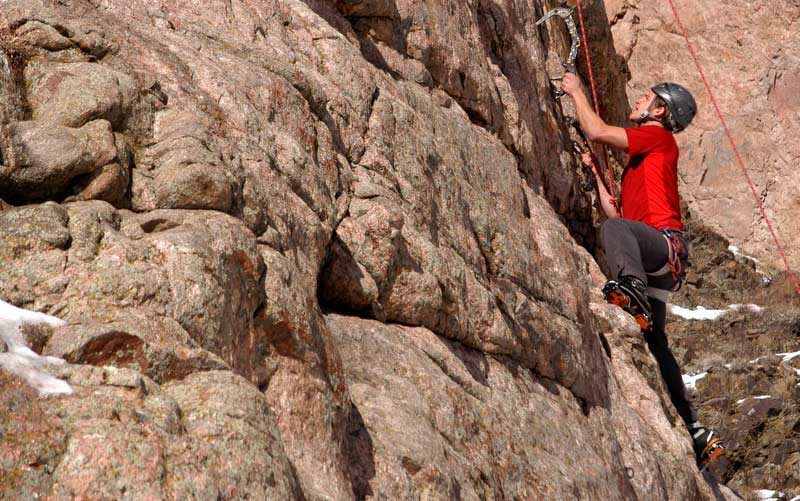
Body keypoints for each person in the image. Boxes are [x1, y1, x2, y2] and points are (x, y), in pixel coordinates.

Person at [561, 72, 725, 469]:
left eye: (645, 97)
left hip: (660, 247)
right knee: (655, 342)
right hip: (660, 256)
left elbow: (598, 131)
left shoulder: (657, 137)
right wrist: (600, 175)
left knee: (615, 233)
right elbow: (617, 214)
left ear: (659, 110)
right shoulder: (641, 163)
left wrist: (576, 91)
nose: (637, 100)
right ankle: (694, 429)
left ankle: (631, 286)